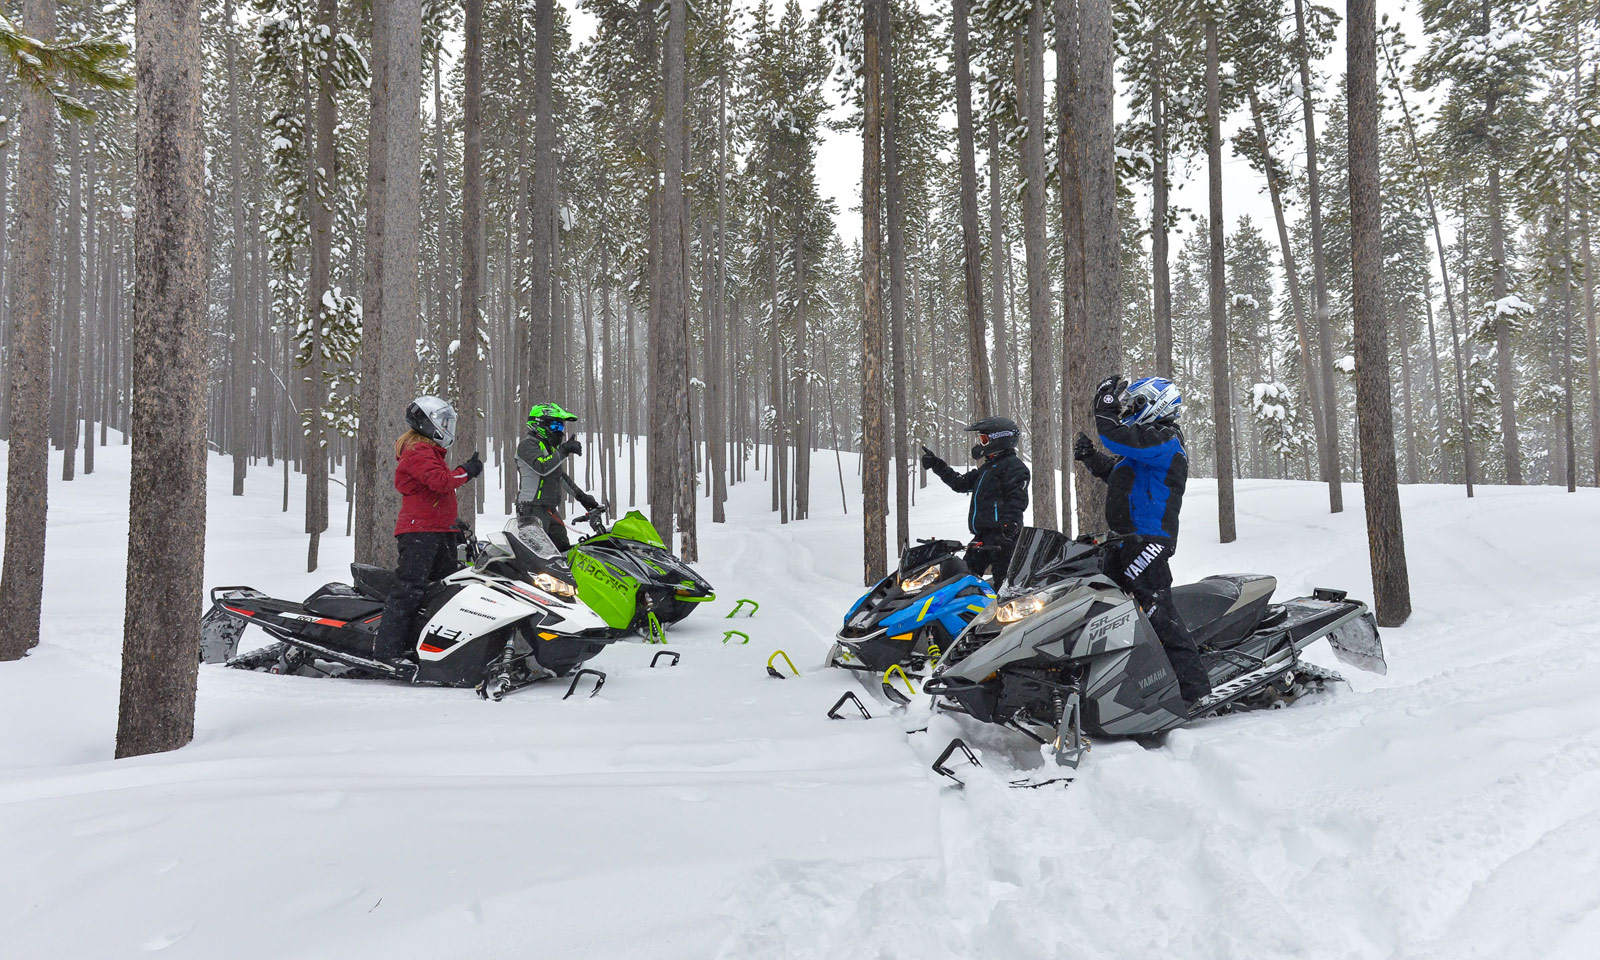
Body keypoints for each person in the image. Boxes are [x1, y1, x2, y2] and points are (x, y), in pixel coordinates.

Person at [1073, 375, 1212, 704]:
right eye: (1128, 405)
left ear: (1156, 404)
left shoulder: (1165, 439)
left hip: (1148, 541)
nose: (1129, 410)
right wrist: (1091, 458)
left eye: (1135, 404)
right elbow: (1120, 474)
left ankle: (1195, 692)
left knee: (1156, 611)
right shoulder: (1147, 447)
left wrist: (1104, 407)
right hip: (1123, 540)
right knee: (1101, 605)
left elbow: (1117, 437)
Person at [373, 396, 483, 661]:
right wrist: (467, 471)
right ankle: (387, 651)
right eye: (443, 422)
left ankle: (427, 645)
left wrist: (451, 524)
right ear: (428, 423)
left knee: (442, 590)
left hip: (436, 530)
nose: (448, 427)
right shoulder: (418, 451)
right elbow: (441, 482)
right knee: (409, 589)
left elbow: (432, 494)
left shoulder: (428, 451)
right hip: (419, 533)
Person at [919, 416, 1031, 583]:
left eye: (984, 439)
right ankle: (966, 609)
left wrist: (1009, 527)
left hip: (1004, 539)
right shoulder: (987, 468)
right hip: (982, 537)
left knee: (1004, 586)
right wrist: (937, 464)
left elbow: (1017, 500)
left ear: (1000, 440)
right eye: (980, 439)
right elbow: (960, 483)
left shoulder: (1014, 468)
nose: (980, 444)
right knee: (963, 581)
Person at [516, 402, 601, 552]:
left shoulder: (549, 449)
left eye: (561, 427)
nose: (559, 431)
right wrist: (564, 450)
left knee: (564, 550)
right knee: (539, 556)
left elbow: (559, 477)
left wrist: (583, 498)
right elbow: (542, 467)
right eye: (555, 427)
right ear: (539, 425)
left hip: (549, 509)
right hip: (531, 509)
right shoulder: (527, 445)